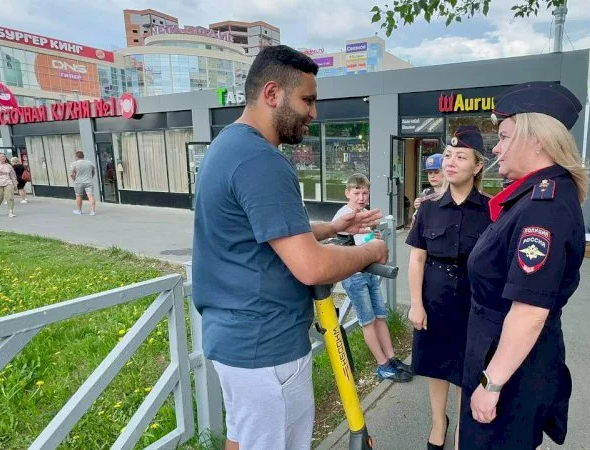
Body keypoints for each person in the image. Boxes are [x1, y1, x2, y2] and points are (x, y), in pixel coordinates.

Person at [191, 45, 389, 450]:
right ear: (272, 94)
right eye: (307, 100)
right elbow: (312, 268)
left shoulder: (228, 147)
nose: (314, 112)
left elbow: (264, 234)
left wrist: (333, 227)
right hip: (267, 347)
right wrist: (372, 252)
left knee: (242, 438)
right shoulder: (261, 160)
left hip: (237, 341)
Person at [459, 82, 589, 450]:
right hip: (504, 355)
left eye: (503, 137)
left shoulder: (543, 208)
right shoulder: (536, 196)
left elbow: (530, 311)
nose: (496, 148)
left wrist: (491, 384)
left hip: (509, 368)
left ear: (537, 141)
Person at [406, 125, 491, 450]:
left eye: (461, 156)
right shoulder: (428, 208)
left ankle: (461, 435)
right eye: (448, 155)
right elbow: (416, 260)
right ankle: (439, 422)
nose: (451, 162)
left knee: (466, 370)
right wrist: (416, 303)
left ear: (477, 166)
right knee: (437, 366)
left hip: (473, 304)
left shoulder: (490, 210)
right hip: (435, 301)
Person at [333, 173, 413, 383]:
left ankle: (391, 358)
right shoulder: (342, 216)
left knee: (380, 316)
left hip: (371, 272)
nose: (361, 197)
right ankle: (382, 365)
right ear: (347, 193)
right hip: (354, 276)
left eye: (364, 193)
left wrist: (374, 238)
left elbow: (367, 242)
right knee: (368, 321)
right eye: (356, 193)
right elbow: (338, 248)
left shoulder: (366, 214)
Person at [69, 151, 97, 216]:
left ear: (76, 156)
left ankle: (79, 211)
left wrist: (75, 179)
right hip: (89, 181)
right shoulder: (90, 163)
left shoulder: (74, 164)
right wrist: (90, 178)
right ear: (83, 156)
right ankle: (93, 211)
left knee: (78, 196)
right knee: (91, 196)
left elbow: (71, 174)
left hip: (78, 182)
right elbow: (93, 172)